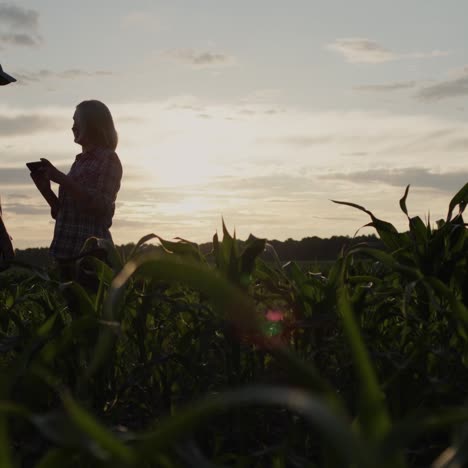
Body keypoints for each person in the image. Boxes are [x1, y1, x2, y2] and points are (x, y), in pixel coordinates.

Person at [30, 100, 122, 285]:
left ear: (93, 124)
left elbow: (102, 206)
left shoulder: (108, 159)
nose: (73, 126)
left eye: (77, 120)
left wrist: (62, 179)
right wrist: (45, 190)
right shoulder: (79, 162)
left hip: (90, 255)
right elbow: (64, 213)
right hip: (66, 252)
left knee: (88, 311)